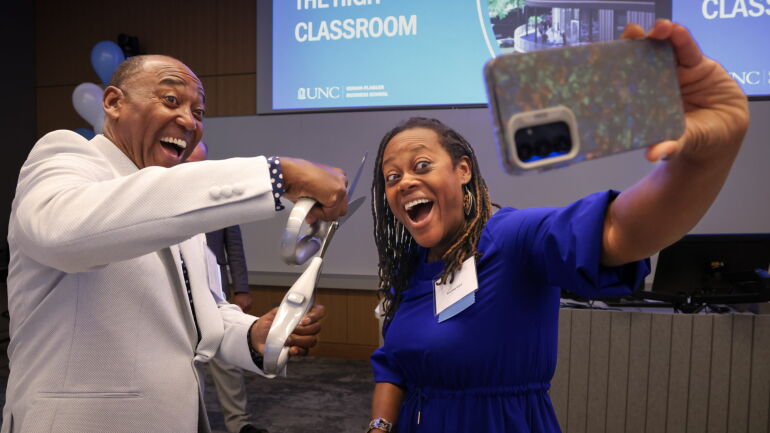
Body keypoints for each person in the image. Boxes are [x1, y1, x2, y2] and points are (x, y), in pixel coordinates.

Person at [367, 20, 749, 433]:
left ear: (462, 171)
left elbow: (618, 232)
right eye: (392, 177)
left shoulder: (514, 239)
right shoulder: (410, 265)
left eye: (421, 166)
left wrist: (704, 159)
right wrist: (379, 426)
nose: (404, 181)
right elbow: (394, 362)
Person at [3, 54, 348, 433]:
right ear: (114, 102)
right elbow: (63, 233)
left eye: (198, 112)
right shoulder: (66, 156)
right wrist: (279, 175)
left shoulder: (179, 211)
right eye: (171, 101)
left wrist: (251, 335)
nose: (188, 120)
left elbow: (203, 314)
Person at [188, 142, 266, 433]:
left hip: (213, 286)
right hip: (174, 289)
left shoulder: (219, 196)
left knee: (227, 360)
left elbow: (234, 246)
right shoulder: (161, 193)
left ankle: (239, 424)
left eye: (201, 162)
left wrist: (241, 288)